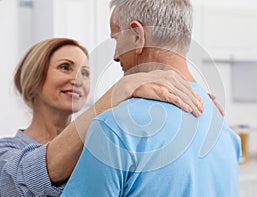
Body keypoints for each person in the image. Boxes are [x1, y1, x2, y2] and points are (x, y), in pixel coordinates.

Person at [62, 0, 241, 196]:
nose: (115, 56)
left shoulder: (113, 128)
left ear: (137, 36)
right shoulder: (223, 130)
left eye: (116, 39)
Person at [0, 37, 204, 196]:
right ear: (33, 78)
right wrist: (119, 91)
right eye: (65, 67)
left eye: (85, 73)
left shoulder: (101, 140)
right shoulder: (6, 153)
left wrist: (192, 95)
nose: (77, 79)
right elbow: (32, 175)